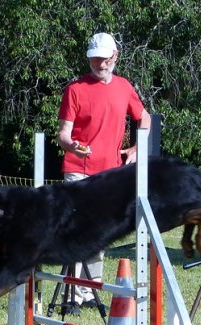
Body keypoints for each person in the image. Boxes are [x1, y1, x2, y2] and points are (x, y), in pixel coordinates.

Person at [57, 32, 151, 307]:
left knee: (99, 231)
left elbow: (143, 117)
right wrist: (73, 146)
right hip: (78, 168)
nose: (99, 64)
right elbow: (63, 134)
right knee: (76, 228)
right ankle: (72, 292)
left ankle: (90, 291)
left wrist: (136, 147)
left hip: (110, 173)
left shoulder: (124, 87)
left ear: (115, 57)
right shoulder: (75, 90)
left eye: (103, 58)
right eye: (94, 59)